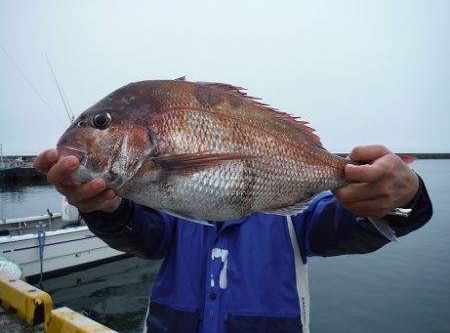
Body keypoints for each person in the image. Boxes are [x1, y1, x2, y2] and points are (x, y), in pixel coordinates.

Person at [34, 145, 432, 333]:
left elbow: (348, 225)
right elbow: (144, 235)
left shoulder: (296, 212)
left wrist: (407, 199)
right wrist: (105, 208)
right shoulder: (175, 203)